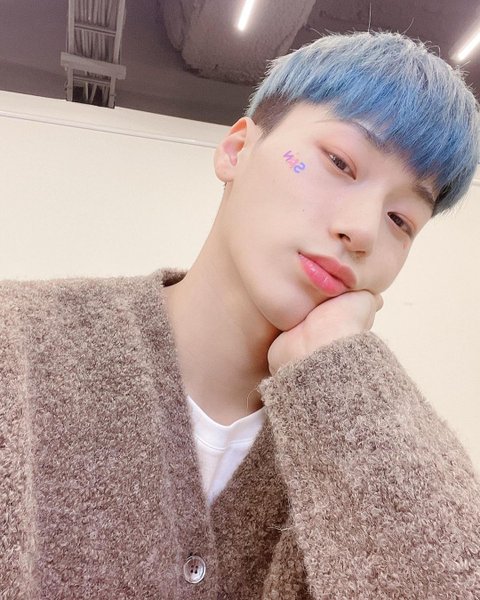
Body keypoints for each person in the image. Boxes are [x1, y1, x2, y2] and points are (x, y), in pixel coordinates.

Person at [1, 30, 479, 599]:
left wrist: (340, 380)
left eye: (401, 220)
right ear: (236, 151)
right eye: (339, 162)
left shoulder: (371, 442)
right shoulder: (17, 338)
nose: (363, 232)